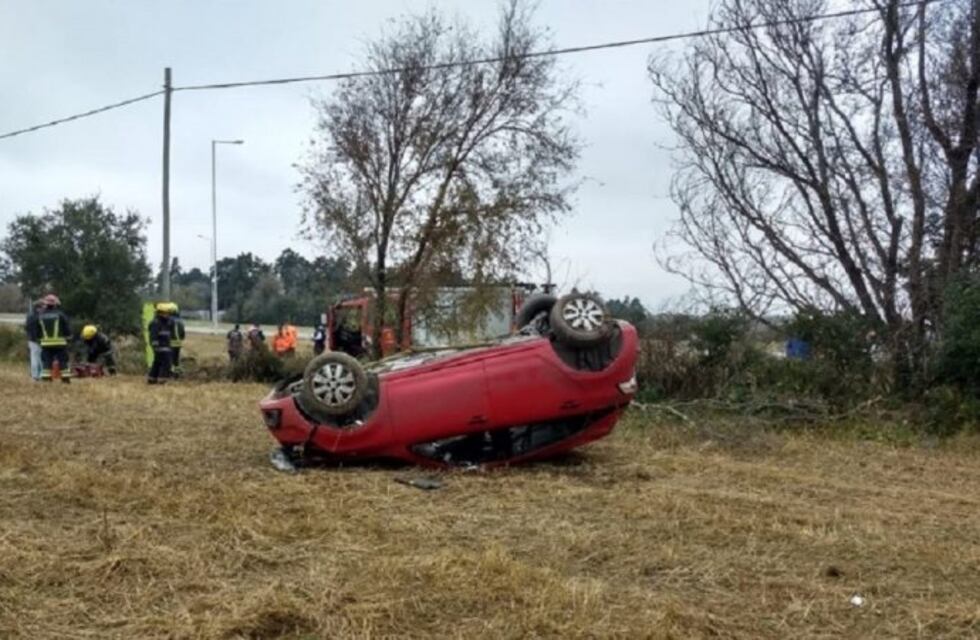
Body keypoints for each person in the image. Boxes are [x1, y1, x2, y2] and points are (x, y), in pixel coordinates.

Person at [37, 294, 72, 383]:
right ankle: (65, 379)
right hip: (60, 343)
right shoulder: (60, 315)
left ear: (46, 304)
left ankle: (46, 379)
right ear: (55, 304)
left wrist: (39, 339)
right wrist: (69, 336)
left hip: (45, 344)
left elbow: (37, 329)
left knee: (46, 361)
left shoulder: (40, 315)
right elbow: (66, 327)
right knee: (63, 361)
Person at [147, 302, 176, 384]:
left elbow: (171, 334)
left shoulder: (168, 322)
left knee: (157, 362)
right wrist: (155, 346)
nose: (168, 315)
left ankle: (152, 379)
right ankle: (163, 379)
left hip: (166, 345)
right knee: (166, 363)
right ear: (160, 313)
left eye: (168, 313)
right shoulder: (156, 323)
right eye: (166, 313)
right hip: (160, 346)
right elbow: (153, 335)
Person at [25, 299, 43, 380]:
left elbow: (26, 327)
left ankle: (34, 375)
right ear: (39, 307)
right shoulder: (40, 316)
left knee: (34, 357)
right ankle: (39, 375)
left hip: (31, 339)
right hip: (39, 339)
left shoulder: (29, 316)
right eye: (43, 307)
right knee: (40, 358)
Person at [169, 303, 186, 377]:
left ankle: (171, 373)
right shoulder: (181, 321)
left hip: (171, 342)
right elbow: (183, 333)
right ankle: (177, 373)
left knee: (170, 359)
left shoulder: (169, 320)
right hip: (178, 342)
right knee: (176, 359)